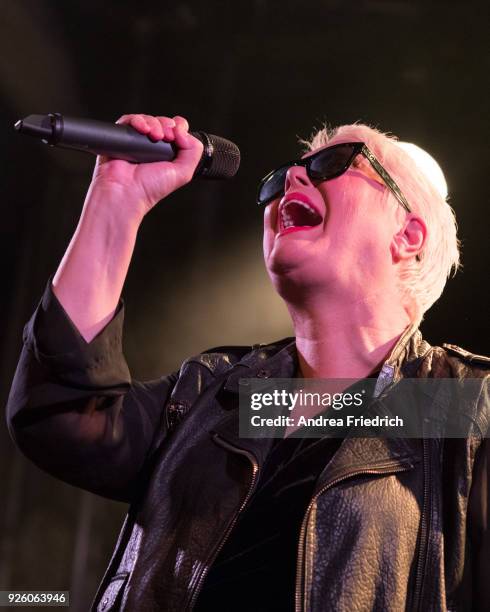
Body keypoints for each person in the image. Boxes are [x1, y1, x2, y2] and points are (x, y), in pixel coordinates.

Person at [6, 113, 489, 611]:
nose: (292, 180)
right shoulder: (218, 397)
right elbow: (61, 417)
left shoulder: (466, 406)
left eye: (332, 163)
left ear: (408, 236)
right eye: (278, 180)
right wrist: (116, 200)